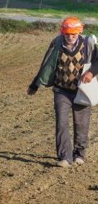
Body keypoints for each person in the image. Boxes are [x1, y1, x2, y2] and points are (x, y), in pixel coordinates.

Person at [27, 16, 98, 167]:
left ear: (79, 32)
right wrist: (35, 85)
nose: (70, 37)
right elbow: (46, 64)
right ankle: (65, 157)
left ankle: (79, 154)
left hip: (82, 91)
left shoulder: (88, 43)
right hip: (61, 91)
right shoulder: (57, 43)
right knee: (61, 123)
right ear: (62, 33)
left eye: (73, 34)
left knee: (81, 124)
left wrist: (91, 72)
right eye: (67, 34)